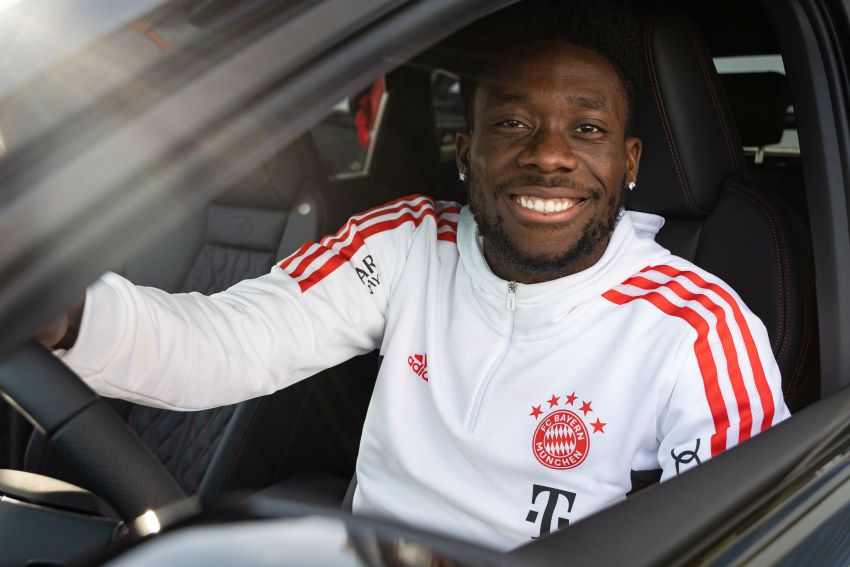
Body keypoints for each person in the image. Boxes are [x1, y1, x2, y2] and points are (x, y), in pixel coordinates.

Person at [39, 0, 789, 552]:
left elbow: (747, 534)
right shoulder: (406, 240)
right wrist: (68, 314)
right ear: (466, 153)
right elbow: (226, 344)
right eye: (513, 124)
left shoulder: (698, 329)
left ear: (628, 164)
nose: (550, 154)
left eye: (587, 129)